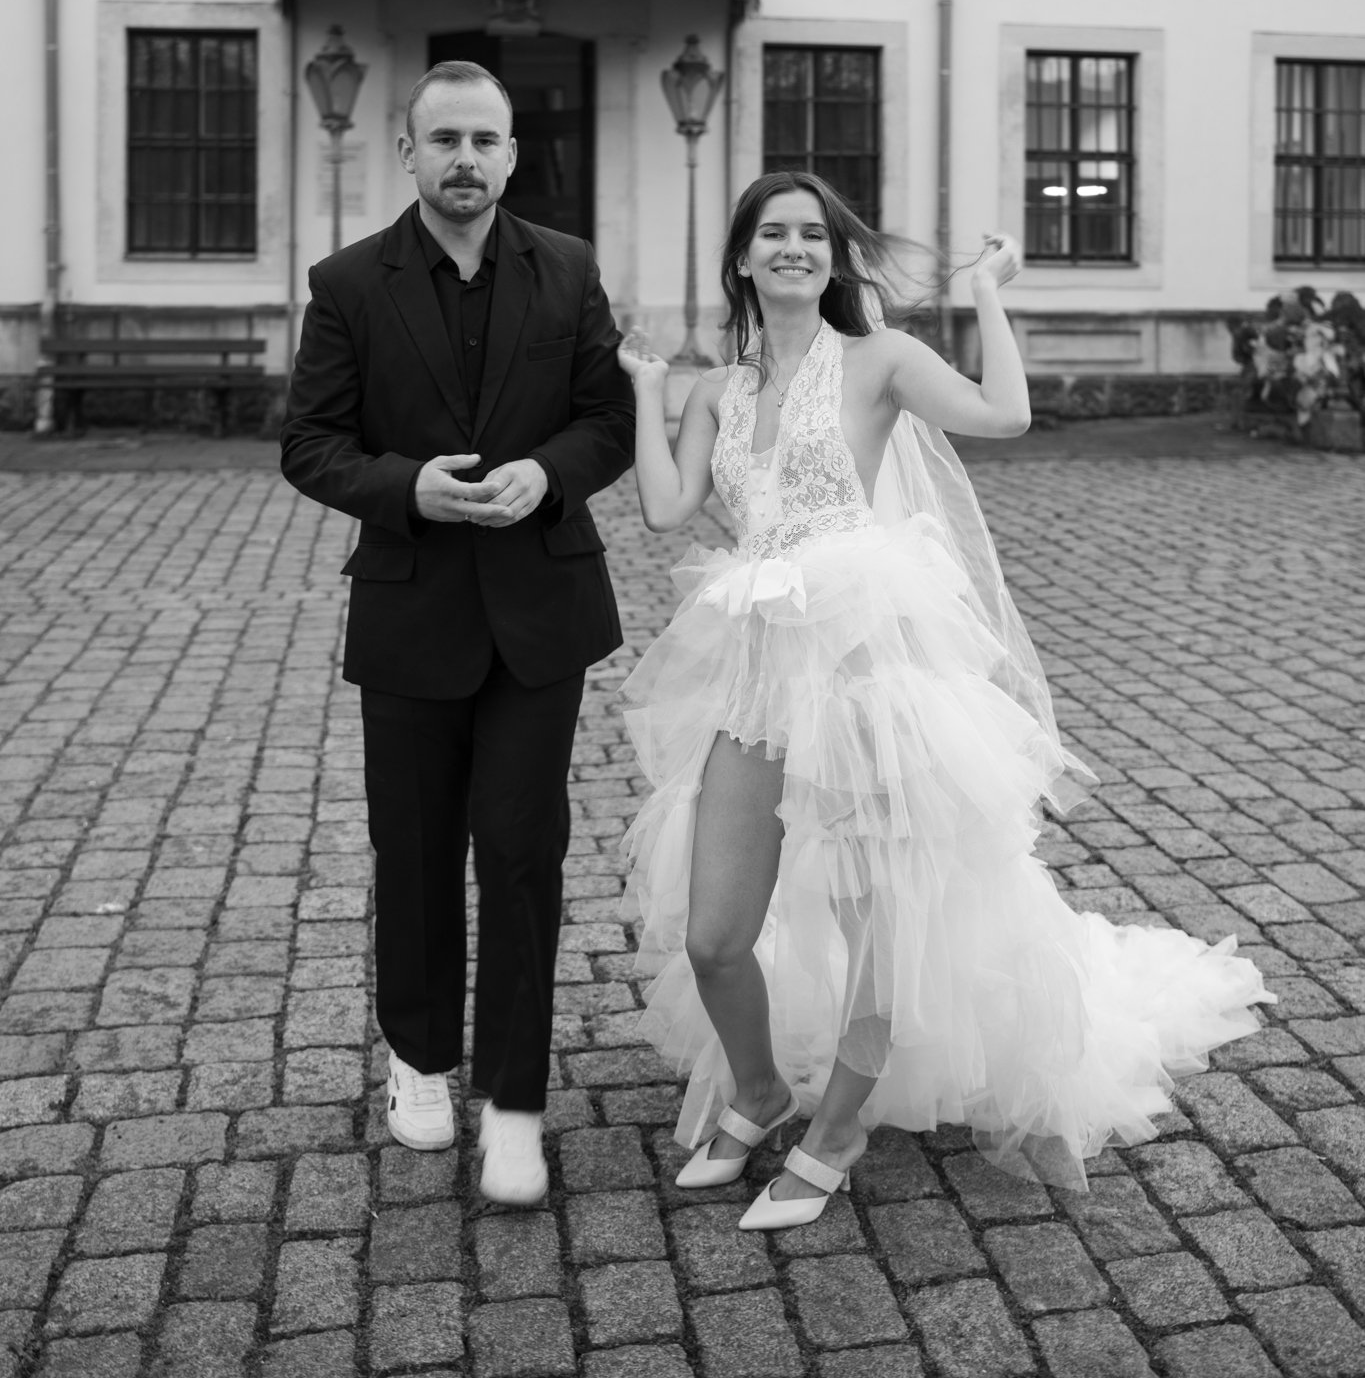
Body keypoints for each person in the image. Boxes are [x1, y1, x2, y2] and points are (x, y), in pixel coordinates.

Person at [617, 172, 1270, 1229]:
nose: (792, 247)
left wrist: (992, 293)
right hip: (755, 671)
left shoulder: (880, 361)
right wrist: (648, 392)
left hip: (872, 673)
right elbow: (663, 507)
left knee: (888, 921)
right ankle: (759, 1093)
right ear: (741, 258)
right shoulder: (717, 389)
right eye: (771, 233)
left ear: (833, 258)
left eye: (811, 235)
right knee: (715, 933)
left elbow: (1005, 415)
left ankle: (836, 1130)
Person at [281, 60, 634, 1205]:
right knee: (417, 847)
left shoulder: (569, 267)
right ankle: (421, 1058)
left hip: (542, 612)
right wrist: (404, 488)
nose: (466, 159)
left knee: (524, 853)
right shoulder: (347, 282)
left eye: (486, 138)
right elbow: (311, 441)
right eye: (445, 140)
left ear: (514, 152)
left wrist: (551, 472)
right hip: (413, 605)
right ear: (409, 149)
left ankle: (516, 1099)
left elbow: (607, 419)